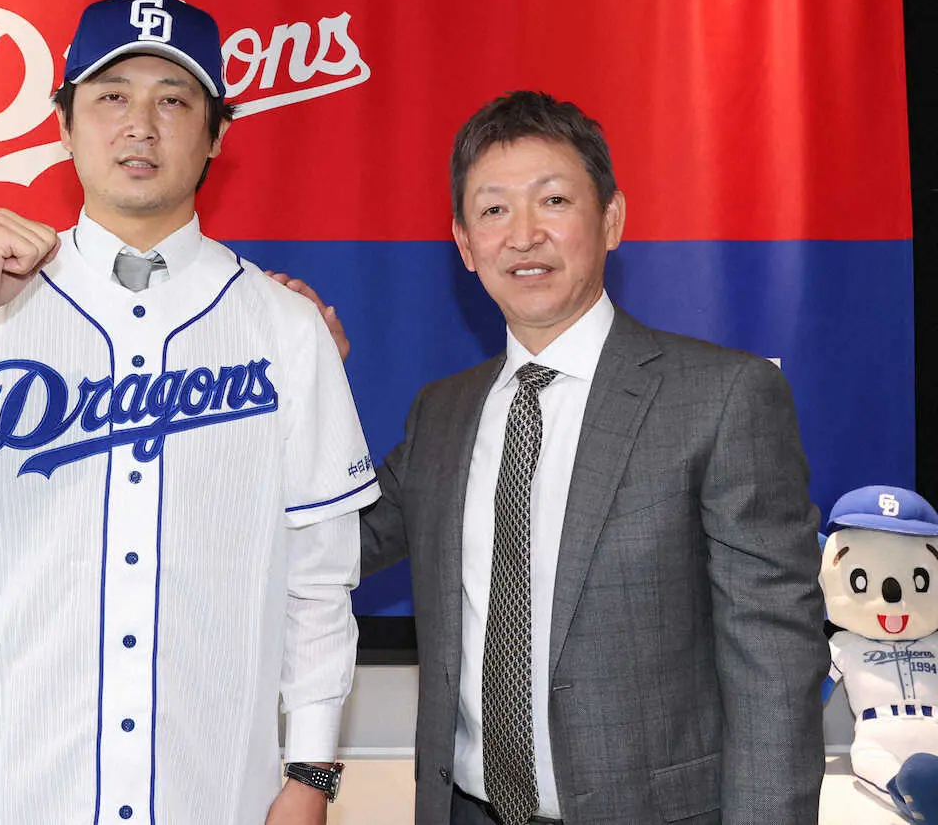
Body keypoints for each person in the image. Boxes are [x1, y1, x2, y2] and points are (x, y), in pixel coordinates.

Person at [0, 0, 379, 825]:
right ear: (63, 125)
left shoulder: (285, 328)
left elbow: (319, 579)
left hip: (211, 796)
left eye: (173, 100)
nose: (140, 126)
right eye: (112, 96)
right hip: (10, 799)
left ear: (216, 134)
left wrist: (311, 774)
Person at [281, 90, 829, 824]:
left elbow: (775, 663)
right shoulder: (442, 414)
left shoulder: (723, 396)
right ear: (465, 244)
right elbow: (319, 546)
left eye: (554, 201)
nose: (524, 235)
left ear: (612, 220)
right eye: (494, 210)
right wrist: (296, 393)